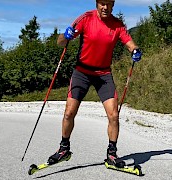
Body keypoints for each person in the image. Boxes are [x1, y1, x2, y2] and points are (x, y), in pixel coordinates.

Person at [47, 0, 142, 168]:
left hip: (103, 74)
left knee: (113, 115)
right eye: (102, 3)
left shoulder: (117, 25)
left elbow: (129, 42)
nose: (105, 7)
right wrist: (65, 35)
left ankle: (112, 154)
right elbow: (61, 42)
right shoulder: (86, 18)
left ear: (113, 5)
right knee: (69, 113)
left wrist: (135, 50)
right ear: (97, 3)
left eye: (109, 4)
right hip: (82, 72)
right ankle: (64, 149)